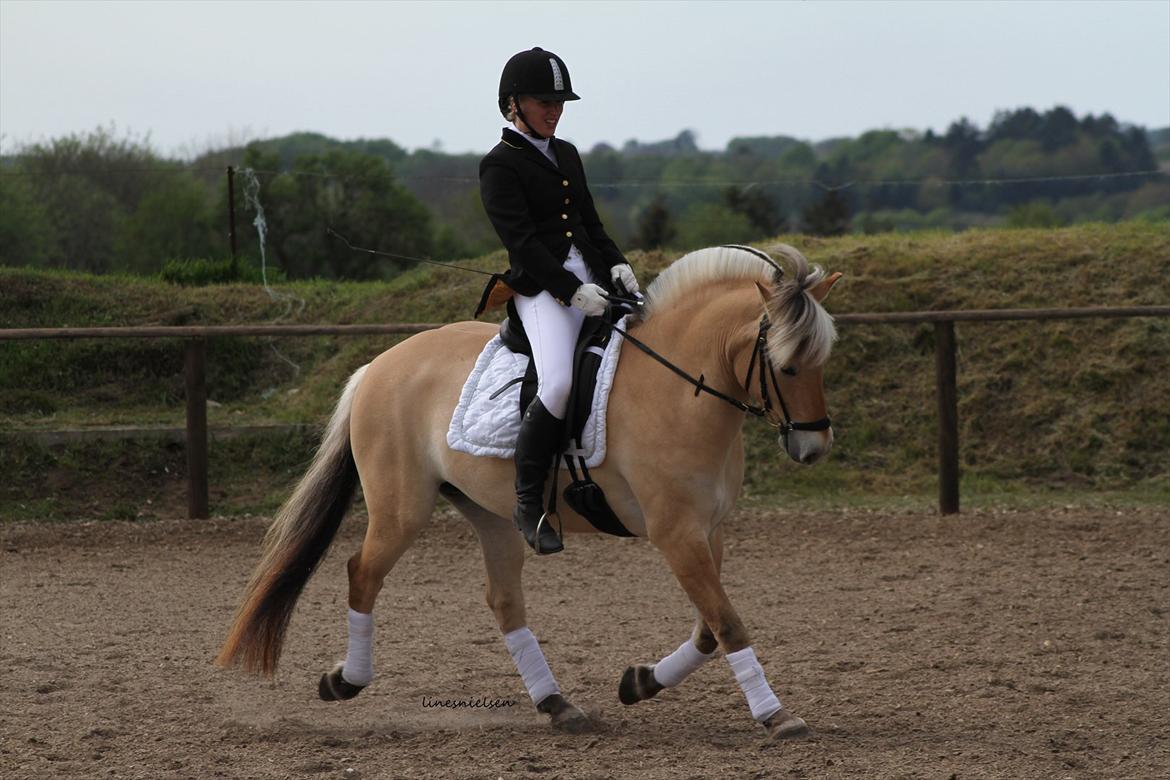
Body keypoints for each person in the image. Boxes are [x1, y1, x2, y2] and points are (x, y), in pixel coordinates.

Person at [479, 46, 640, 555]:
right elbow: (523, 244)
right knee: (560, 384)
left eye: (559, 102)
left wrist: (617, 263)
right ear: (513, 104)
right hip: (542, 292)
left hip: (595, 279)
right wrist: (571, 291)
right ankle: (528, 501)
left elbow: (590, 224)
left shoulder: (566, 153)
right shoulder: (499, 166)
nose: (554, 111)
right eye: (543, 102)